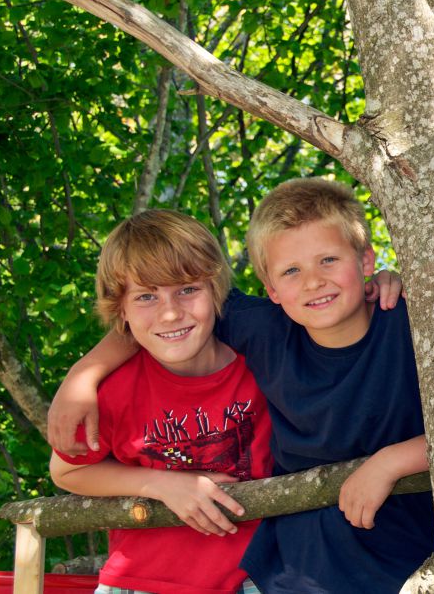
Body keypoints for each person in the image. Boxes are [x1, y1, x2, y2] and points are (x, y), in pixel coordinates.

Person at [49, 179, 434, 593]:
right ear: (270, 289)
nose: (312, 282)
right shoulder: (262, 333)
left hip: (351, 560)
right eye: (291, 271)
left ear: (364, 263)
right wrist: (83, 375)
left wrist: (393, 459)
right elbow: (149, 317)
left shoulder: (403, 328)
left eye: (328, 260)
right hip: (244, 572)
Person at [50, 209, 272, 594]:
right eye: (147, 296)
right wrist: (162, 484)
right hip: (139, 583)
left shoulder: (267, 370)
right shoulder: (114, 391)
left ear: (216, 289)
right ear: (121, 308)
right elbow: (66, 472)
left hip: (256, 579)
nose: (170, 313)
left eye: (187, 289)